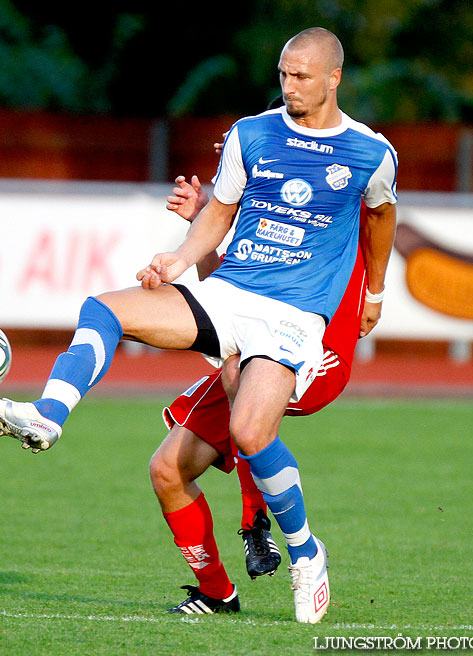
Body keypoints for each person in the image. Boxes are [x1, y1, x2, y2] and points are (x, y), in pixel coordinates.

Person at [0, 27, 397, 624]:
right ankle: (48, 414)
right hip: (230, 293)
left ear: (334, 78)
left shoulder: (370, 153)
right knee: (106, 307)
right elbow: (218, 214)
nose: (290, 86)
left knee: (251, 432)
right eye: (282, 75)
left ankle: (305, 551)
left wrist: (374, 291)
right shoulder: (251, 134)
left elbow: (381, 218)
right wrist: (178, 257)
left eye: (302, 76)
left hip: (295, 317)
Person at [151, 174, 370, 615]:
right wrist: (202, 224)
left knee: (238, 381)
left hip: (316, 356)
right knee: (167, 471)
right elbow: (230, 305)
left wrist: (377, 294)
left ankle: (257, 519)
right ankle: (216, 592)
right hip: (254, 350)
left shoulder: (345, 201)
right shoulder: (268, 217)